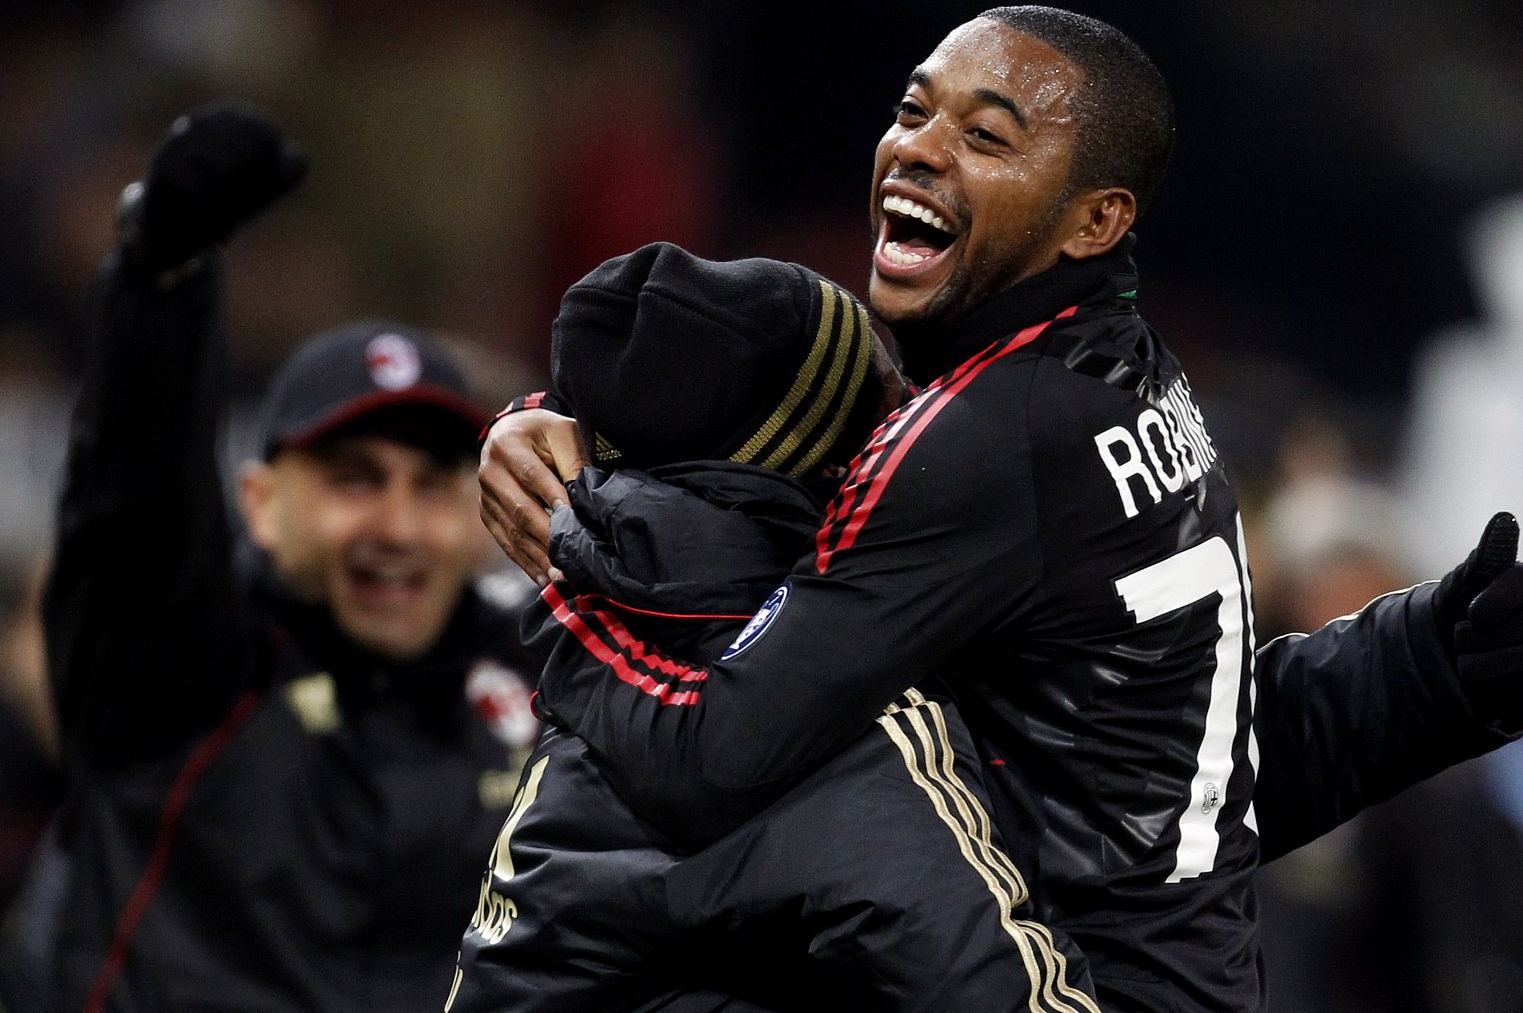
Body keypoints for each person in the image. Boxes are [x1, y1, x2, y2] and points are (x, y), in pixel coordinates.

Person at [481, 7, 1523, 1012]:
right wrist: (1407, 670)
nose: (918, 147)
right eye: (912, 110)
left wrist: (574, 559)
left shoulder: (987, 437)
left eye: (988, 137)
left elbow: (712, 760)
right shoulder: (1133, 381)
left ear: (1095, 219)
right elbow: (1156, 769)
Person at [450, 241, 1096, 1013]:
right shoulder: (841, 714)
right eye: (893, 403)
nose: (918, 429)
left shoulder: (605, 652)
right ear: (839, 464)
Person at [42, 107, 541, 1013]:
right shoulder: (178, 663)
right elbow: (131, 500)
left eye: (431, 484)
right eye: (354, 479)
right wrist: (162, 282)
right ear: (261, 506)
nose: (395, 525)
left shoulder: (540, 679)